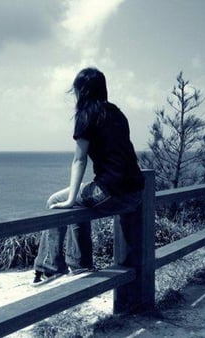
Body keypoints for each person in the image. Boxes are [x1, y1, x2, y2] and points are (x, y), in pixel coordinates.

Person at [32, 67, 144, 286]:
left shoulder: (86, 115)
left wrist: (70, 199)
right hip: (136, 192)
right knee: (80, 200)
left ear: (81, 91)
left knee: (56, 201)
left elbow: (79, 160)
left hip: (111, 191)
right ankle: (81, 264)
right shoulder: (117, 113)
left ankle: (49, 268)